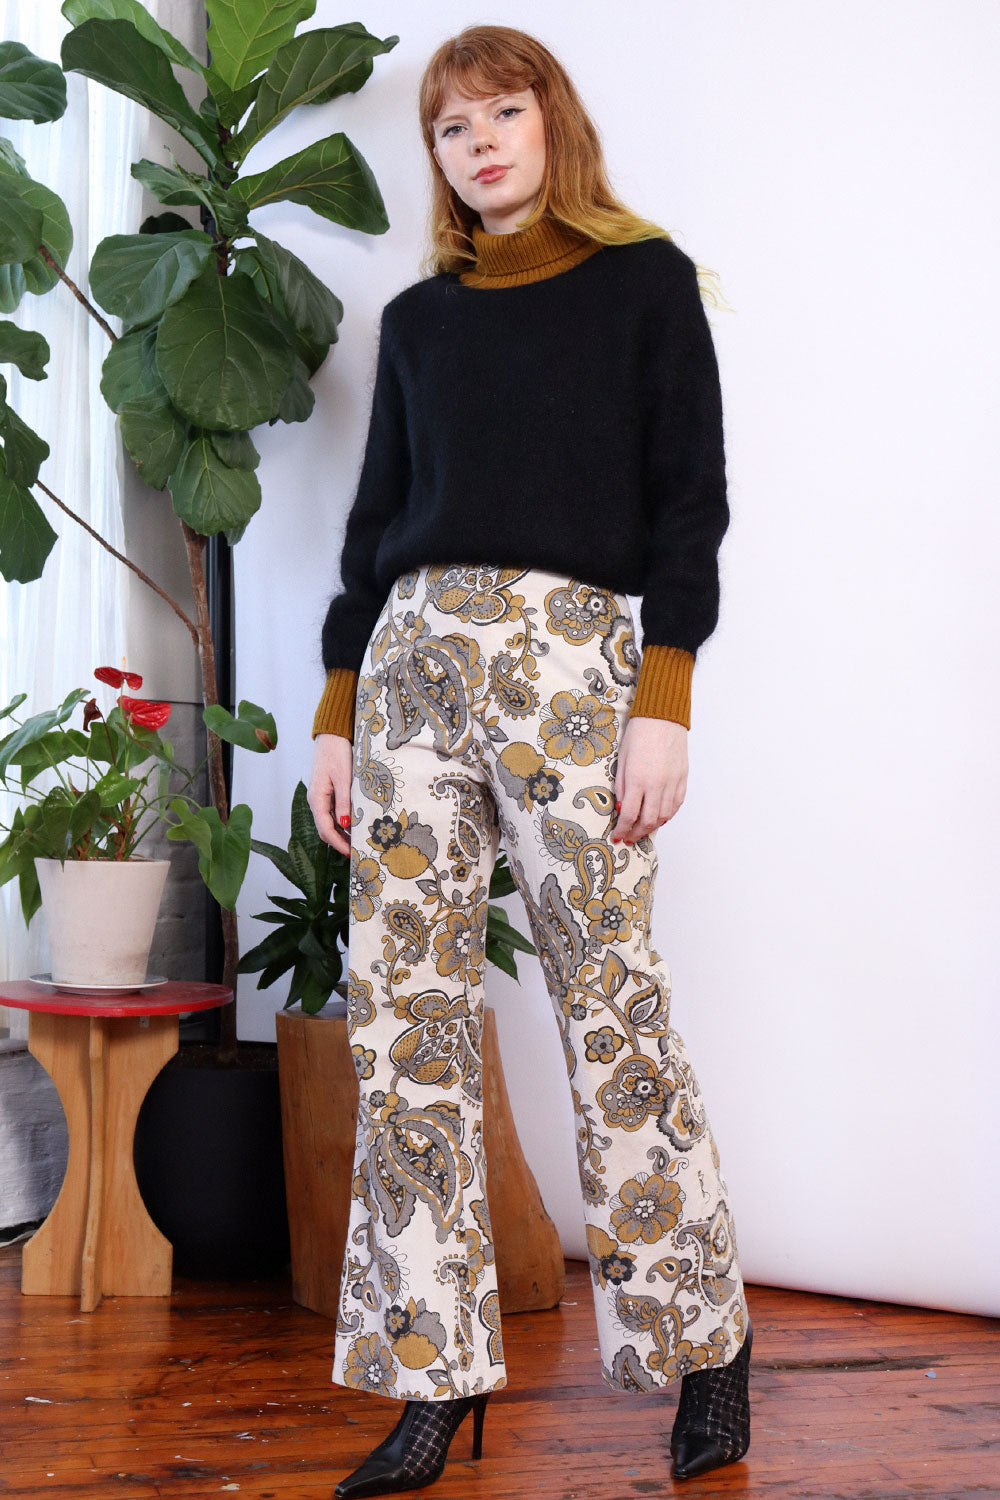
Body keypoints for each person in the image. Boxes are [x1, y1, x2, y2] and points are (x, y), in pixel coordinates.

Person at [307, 24, 752, 1496]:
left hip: (572, 664)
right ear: (435, 156)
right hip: (411, 667)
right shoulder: (419, 323)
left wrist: (664, 694)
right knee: (406, 1022)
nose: (481, 142)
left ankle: (703, 1341)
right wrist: (336, 710)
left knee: (610, 1000)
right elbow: (372, 530)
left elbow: (690, 501)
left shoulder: (644, 284)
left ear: (553, 121)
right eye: (452, 127)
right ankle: (432, 1375)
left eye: (504, 111)